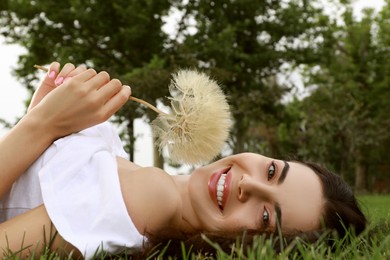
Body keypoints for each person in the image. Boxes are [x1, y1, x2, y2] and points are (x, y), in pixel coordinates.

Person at [0, 62, 367, 259]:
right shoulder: (130, 172)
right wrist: (43, 113)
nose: (248, 185)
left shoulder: (149, 197)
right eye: (271, 171)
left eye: (266, 216)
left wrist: (42, 124)